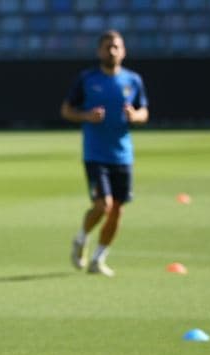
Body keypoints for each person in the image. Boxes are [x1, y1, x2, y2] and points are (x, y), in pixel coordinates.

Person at [62, 30, 149, 277]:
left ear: (124, 51)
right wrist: (86, 116)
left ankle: (99, 258)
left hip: (122, 155)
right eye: (107, 47)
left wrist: (135, 116)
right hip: (95, 154)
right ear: (99, 51)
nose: (112, 51)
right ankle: (81, 238)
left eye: (116, 47)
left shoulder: (133, 81)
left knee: (118, 210)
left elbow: (144, 112)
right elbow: (67, 110)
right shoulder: (87, 79)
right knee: (103, 205)